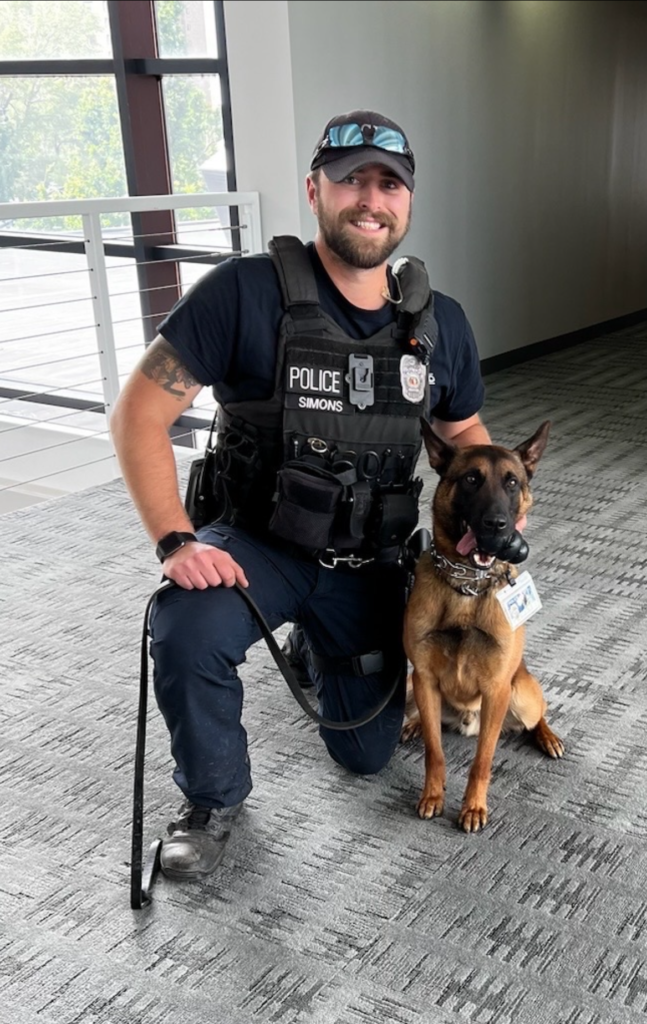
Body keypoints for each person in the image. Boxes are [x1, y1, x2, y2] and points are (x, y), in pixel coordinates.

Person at [111, 109, 491, 882]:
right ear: (314, 188)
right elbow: (137, 415)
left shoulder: (439, 324)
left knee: (365, 754)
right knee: (185, 628)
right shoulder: (242, 293)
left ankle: (314, 647)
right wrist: (177, 541)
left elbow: (469, 441)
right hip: (258, 545)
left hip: (373, 562)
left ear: (407, 204)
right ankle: (211, 801)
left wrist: (499, 520)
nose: (369, 199)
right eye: (351, 179)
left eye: (388, 184)